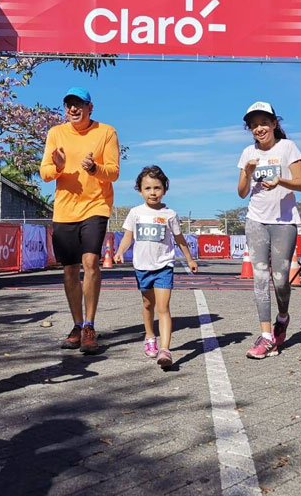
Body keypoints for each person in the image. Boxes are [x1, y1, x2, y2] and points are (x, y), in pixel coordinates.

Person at [40, 87, 119, 353]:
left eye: (79, 104)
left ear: (90, 108)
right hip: (65, 211)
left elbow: (114, 172)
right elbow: (45, 173)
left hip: (96, 206)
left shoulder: (106, 132)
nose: (73, 109)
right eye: (69, 104)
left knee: (91, 262)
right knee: (70, 270)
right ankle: (76, 325)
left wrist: (95, 168)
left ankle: (89, 326)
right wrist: (59, 166)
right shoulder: (56, 133)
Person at [237, 101, 301, 359]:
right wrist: (247, 172)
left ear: (274, 123)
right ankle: (266, 337)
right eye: (254, 125)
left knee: (280, 280)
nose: (259, 129)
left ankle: (283, 317)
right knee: (259, 277)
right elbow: (242, 192)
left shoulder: (287, 147)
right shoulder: (248, 153)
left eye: (264, 123)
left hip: (284, 222)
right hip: (256, 220)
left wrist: (281, 180)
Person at [114, 165, 198, 369]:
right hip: (142, 267)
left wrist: (189, 259)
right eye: (148, 188)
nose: (153, 192)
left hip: (164, 266)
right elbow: (128, 237)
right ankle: (150, 336)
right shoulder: (135, 213)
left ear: (164, 190)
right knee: (147, 304)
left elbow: (179, 239)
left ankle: (165, 349)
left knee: (163, 307)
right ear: (140, 191)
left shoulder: (170, 214)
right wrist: (120, 251)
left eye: (157, 188)